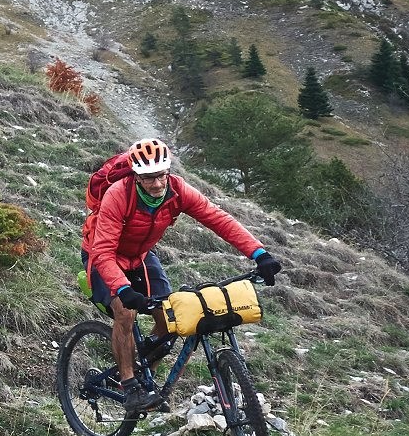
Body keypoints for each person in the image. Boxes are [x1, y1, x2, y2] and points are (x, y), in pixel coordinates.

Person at [81, 137, 281, 417]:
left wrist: (259, 253)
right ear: (136, 176)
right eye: (150, 178)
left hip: (140, 256)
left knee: (170, 318)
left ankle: (144, 377)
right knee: (124, 312)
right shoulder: (118, 194)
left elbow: (218, 219)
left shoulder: (177, 190)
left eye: (162, 175)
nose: (158, 183)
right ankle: (129, 386)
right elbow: (103, 251)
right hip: (103, 255)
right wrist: (123, 289)